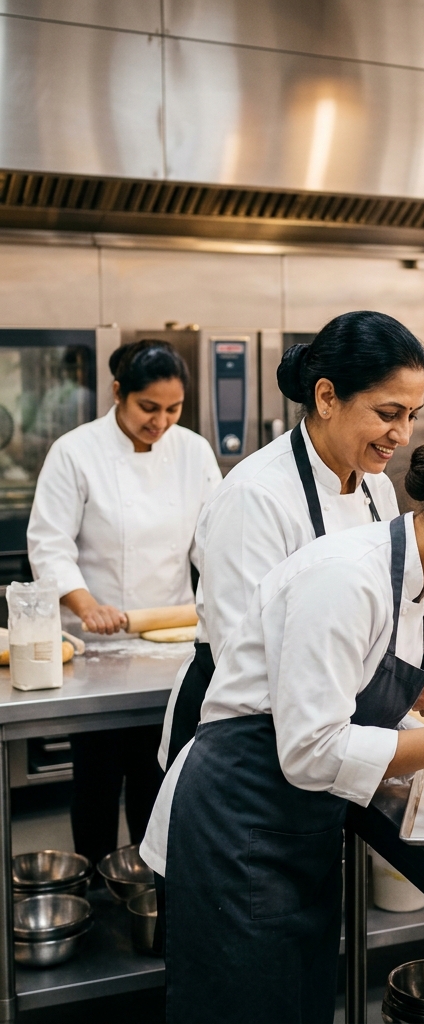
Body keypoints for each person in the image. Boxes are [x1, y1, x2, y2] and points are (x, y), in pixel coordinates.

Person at [140, 443, 424, 1024]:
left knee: (295, 1004)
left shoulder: (422, 593)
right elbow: (310, 750)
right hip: (238, 820)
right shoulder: (346, 579)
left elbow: (356, 705)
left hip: (299, 827)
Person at [159, 311, 424, 773]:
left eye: (412, 415)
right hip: (239, 751)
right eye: (388, 414)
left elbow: (374, 617)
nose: (404, 434)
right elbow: (249, 662)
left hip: (319, 744)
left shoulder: (375, 488)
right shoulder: (257, 497)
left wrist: (423, 656)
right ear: (327, 397)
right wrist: (394, 688)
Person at [26, 340, 221, 867]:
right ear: (118, 393)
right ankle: (89, 874)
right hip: (97, 642)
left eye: (173, 409)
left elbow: (215, 540)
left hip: (174, 640)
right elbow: (49, 542)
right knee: (95, 774)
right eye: (148, 408)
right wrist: (86, 604)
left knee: (158, 770)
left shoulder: (193, 452)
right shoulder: (75, 451)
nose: (161, 422)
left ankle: (146, 878)